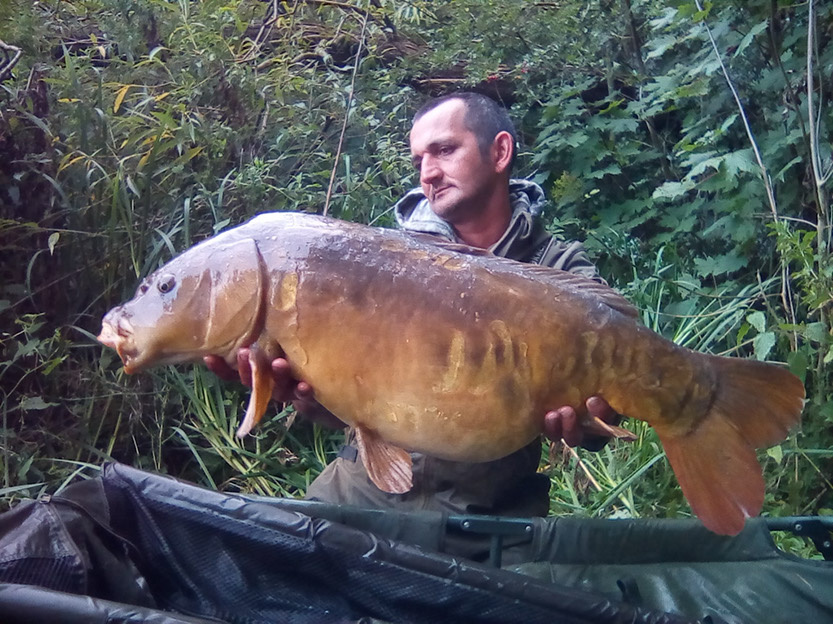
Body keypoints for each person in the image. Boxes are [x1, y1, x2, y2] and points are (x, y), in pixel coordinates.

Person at [205, 92, 617, 518]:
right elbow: (351, 411)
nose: (428, 173)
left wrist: (587, 424)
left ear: (499, 151)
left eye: (443, 150)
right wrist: (313, 401)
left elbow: (606, 413)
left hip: (487, 517)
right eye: (418, 160)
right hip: (359, 494)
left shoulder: (560, 268)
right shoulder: (378, 263)